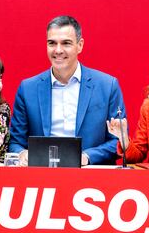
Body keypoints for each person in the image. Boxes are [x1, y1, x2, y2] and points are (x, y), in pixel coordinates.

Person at [9, 15, 126, 165]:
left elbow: (118, 141)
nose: (58, 50)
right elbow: (15, 142)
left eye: (66, 43)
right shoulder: (28, 89)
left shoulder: (107, 86)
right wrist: (22, 153)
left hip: (91, 178)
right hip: (41, 176)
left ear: (80, 45)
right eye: (52, 43)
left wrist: (87, 157)